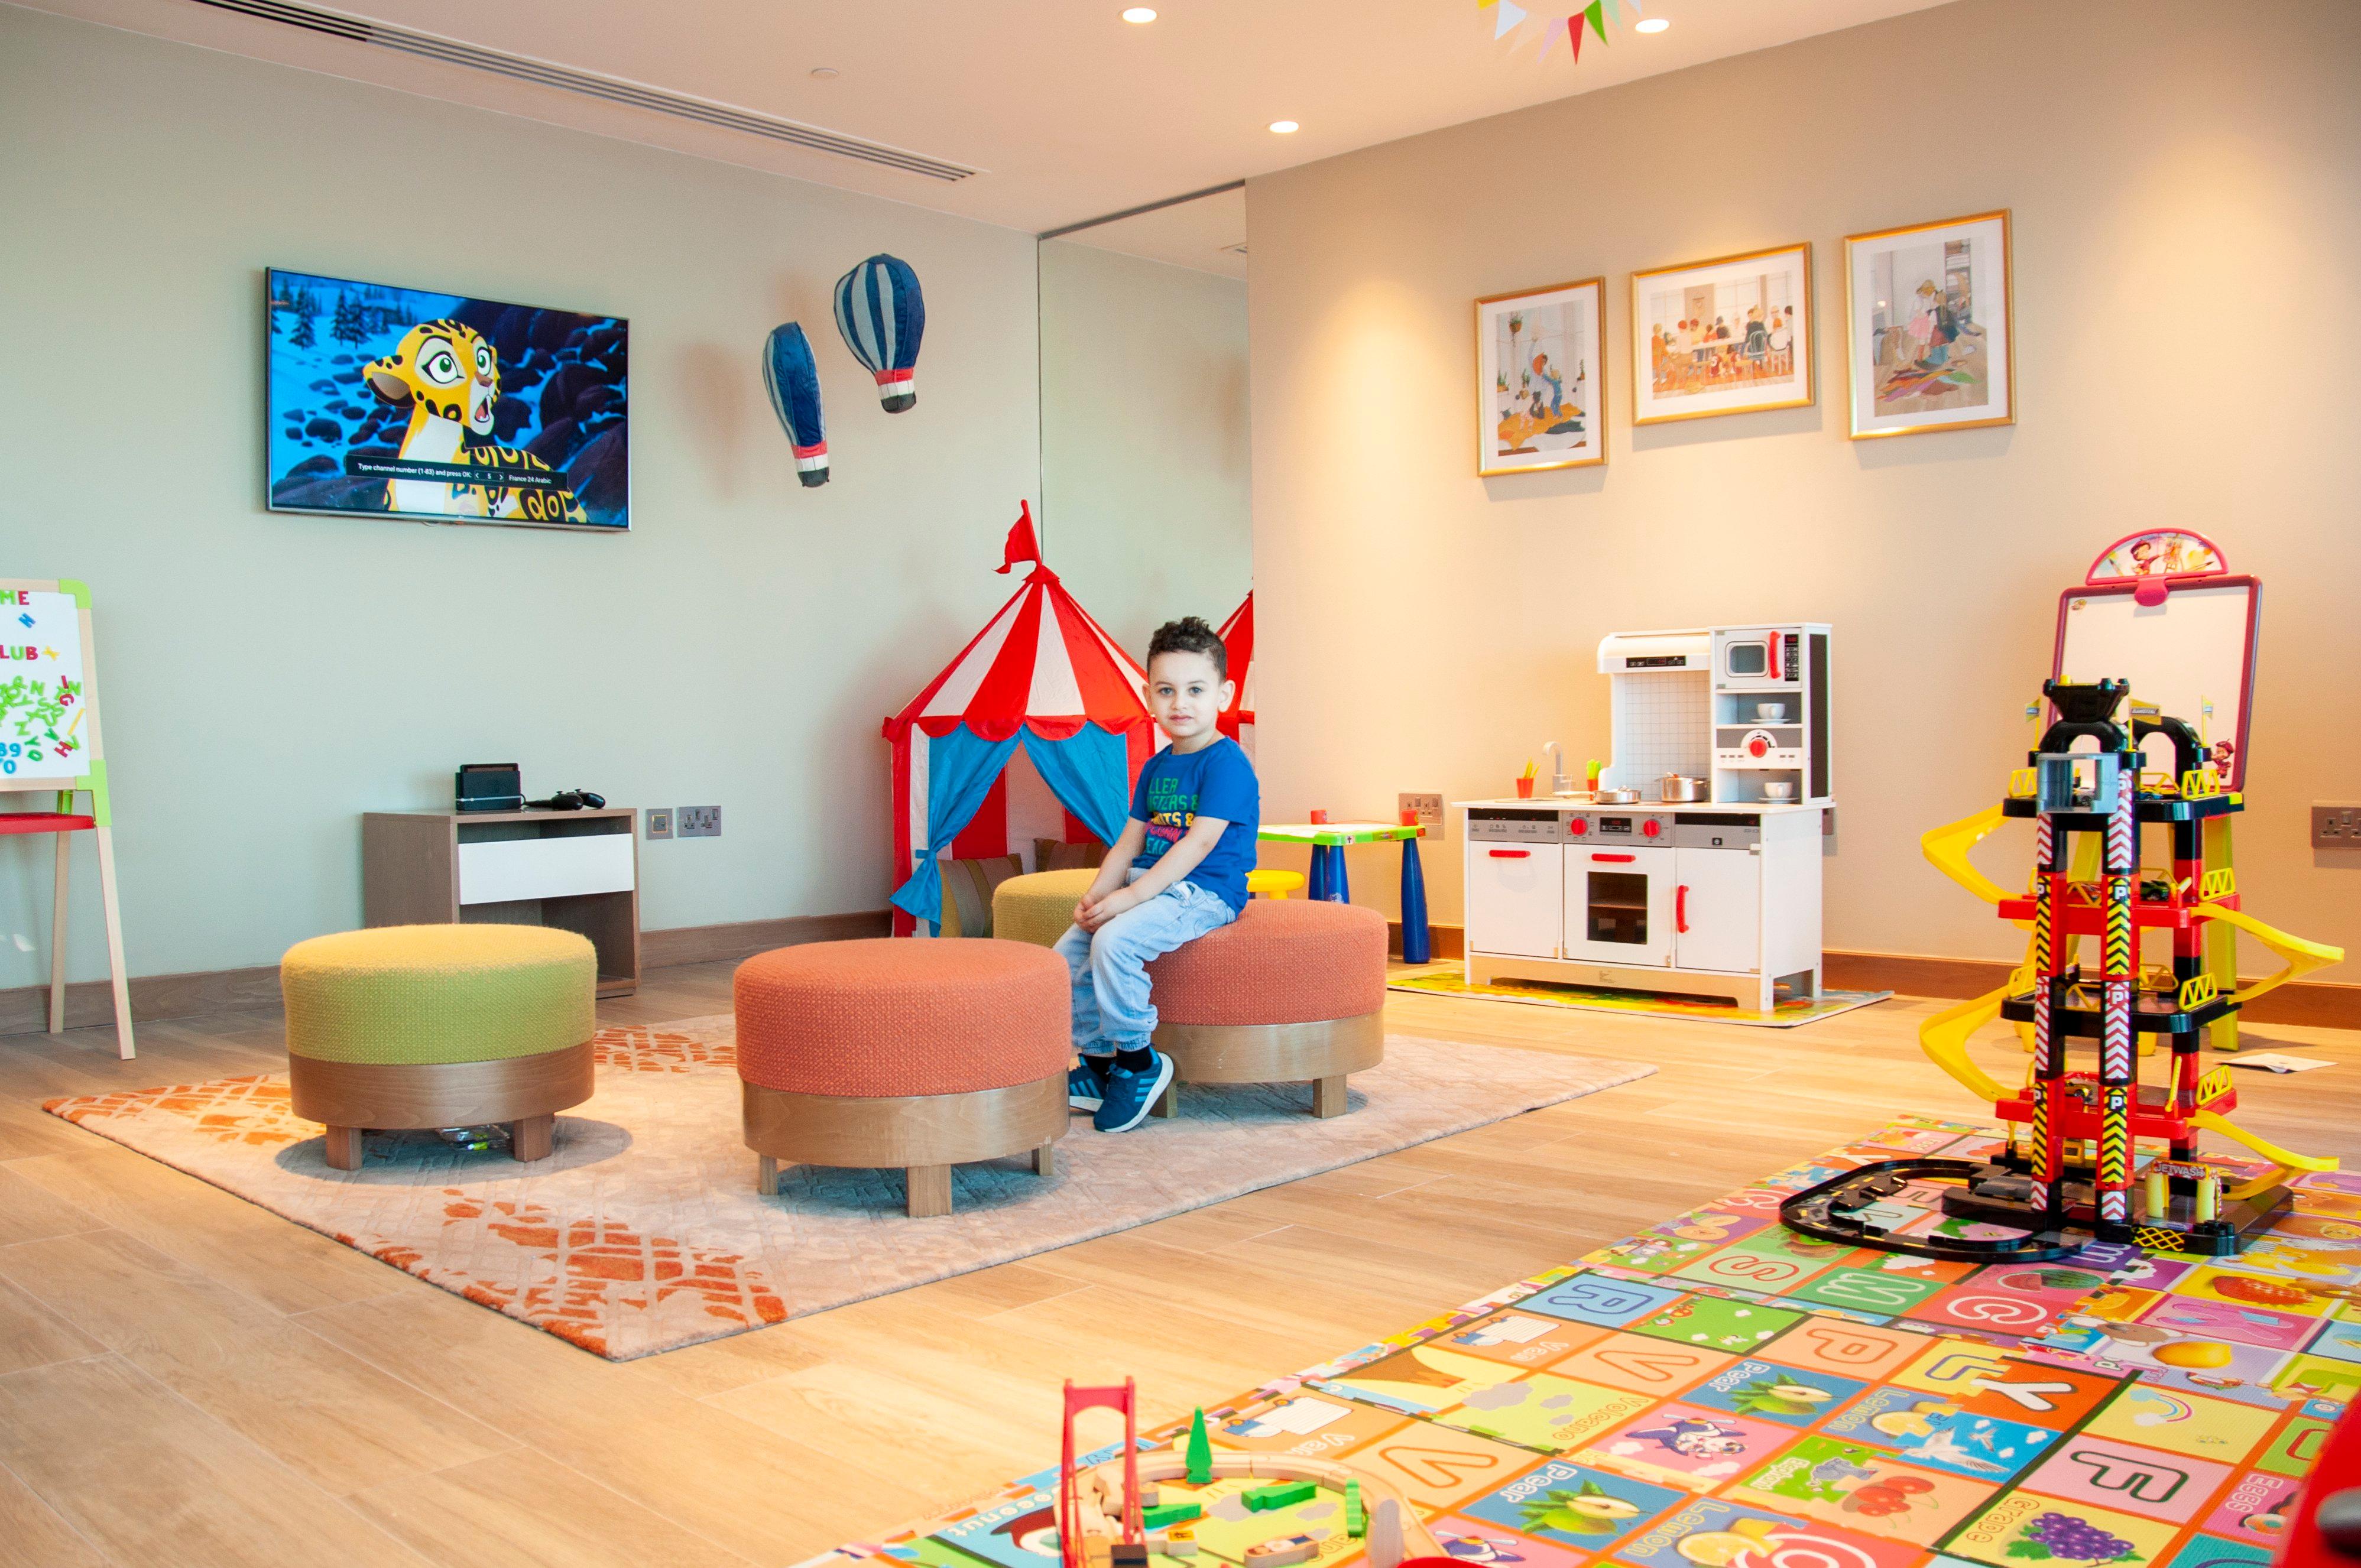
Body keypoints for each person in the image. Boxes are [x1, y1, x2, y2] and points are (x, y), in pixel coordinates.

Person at [1058, 616, 1261, 1132]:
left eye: (1196, 690)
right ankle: (1099, 1064)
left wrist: (1131, 900)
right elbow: (1129, 841)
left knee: (1114, 943)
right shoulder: (1156, 766)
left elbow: (1198, 843)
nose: (1180, 703)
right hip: (1154, 885)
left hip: (1205, 891)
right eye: (1166, 690)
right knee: (1067, 954)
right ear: (1149, 696)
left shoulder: (1227, 763)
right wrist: (1098, 896)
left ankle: (1138, 1061)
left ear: (1224, 694)